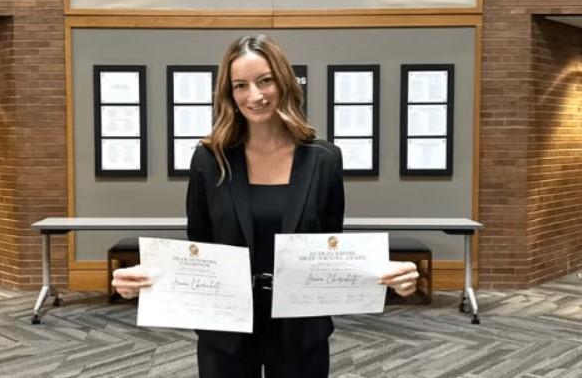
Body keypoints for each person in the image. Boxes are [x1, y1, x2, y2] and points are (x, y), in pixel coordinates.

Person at [113, 34, 419, 377]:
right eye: (240, 85)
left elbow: (330, 249)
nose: (254, 96)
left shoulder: (324, 160)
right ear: (229, 94)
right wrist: (146, 280)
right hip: (226, 328)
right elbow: (198, 248)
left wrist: (388, 276)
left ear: (284, 82)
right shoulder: (209, 159)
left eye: (265, 81)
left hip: (299, 329)